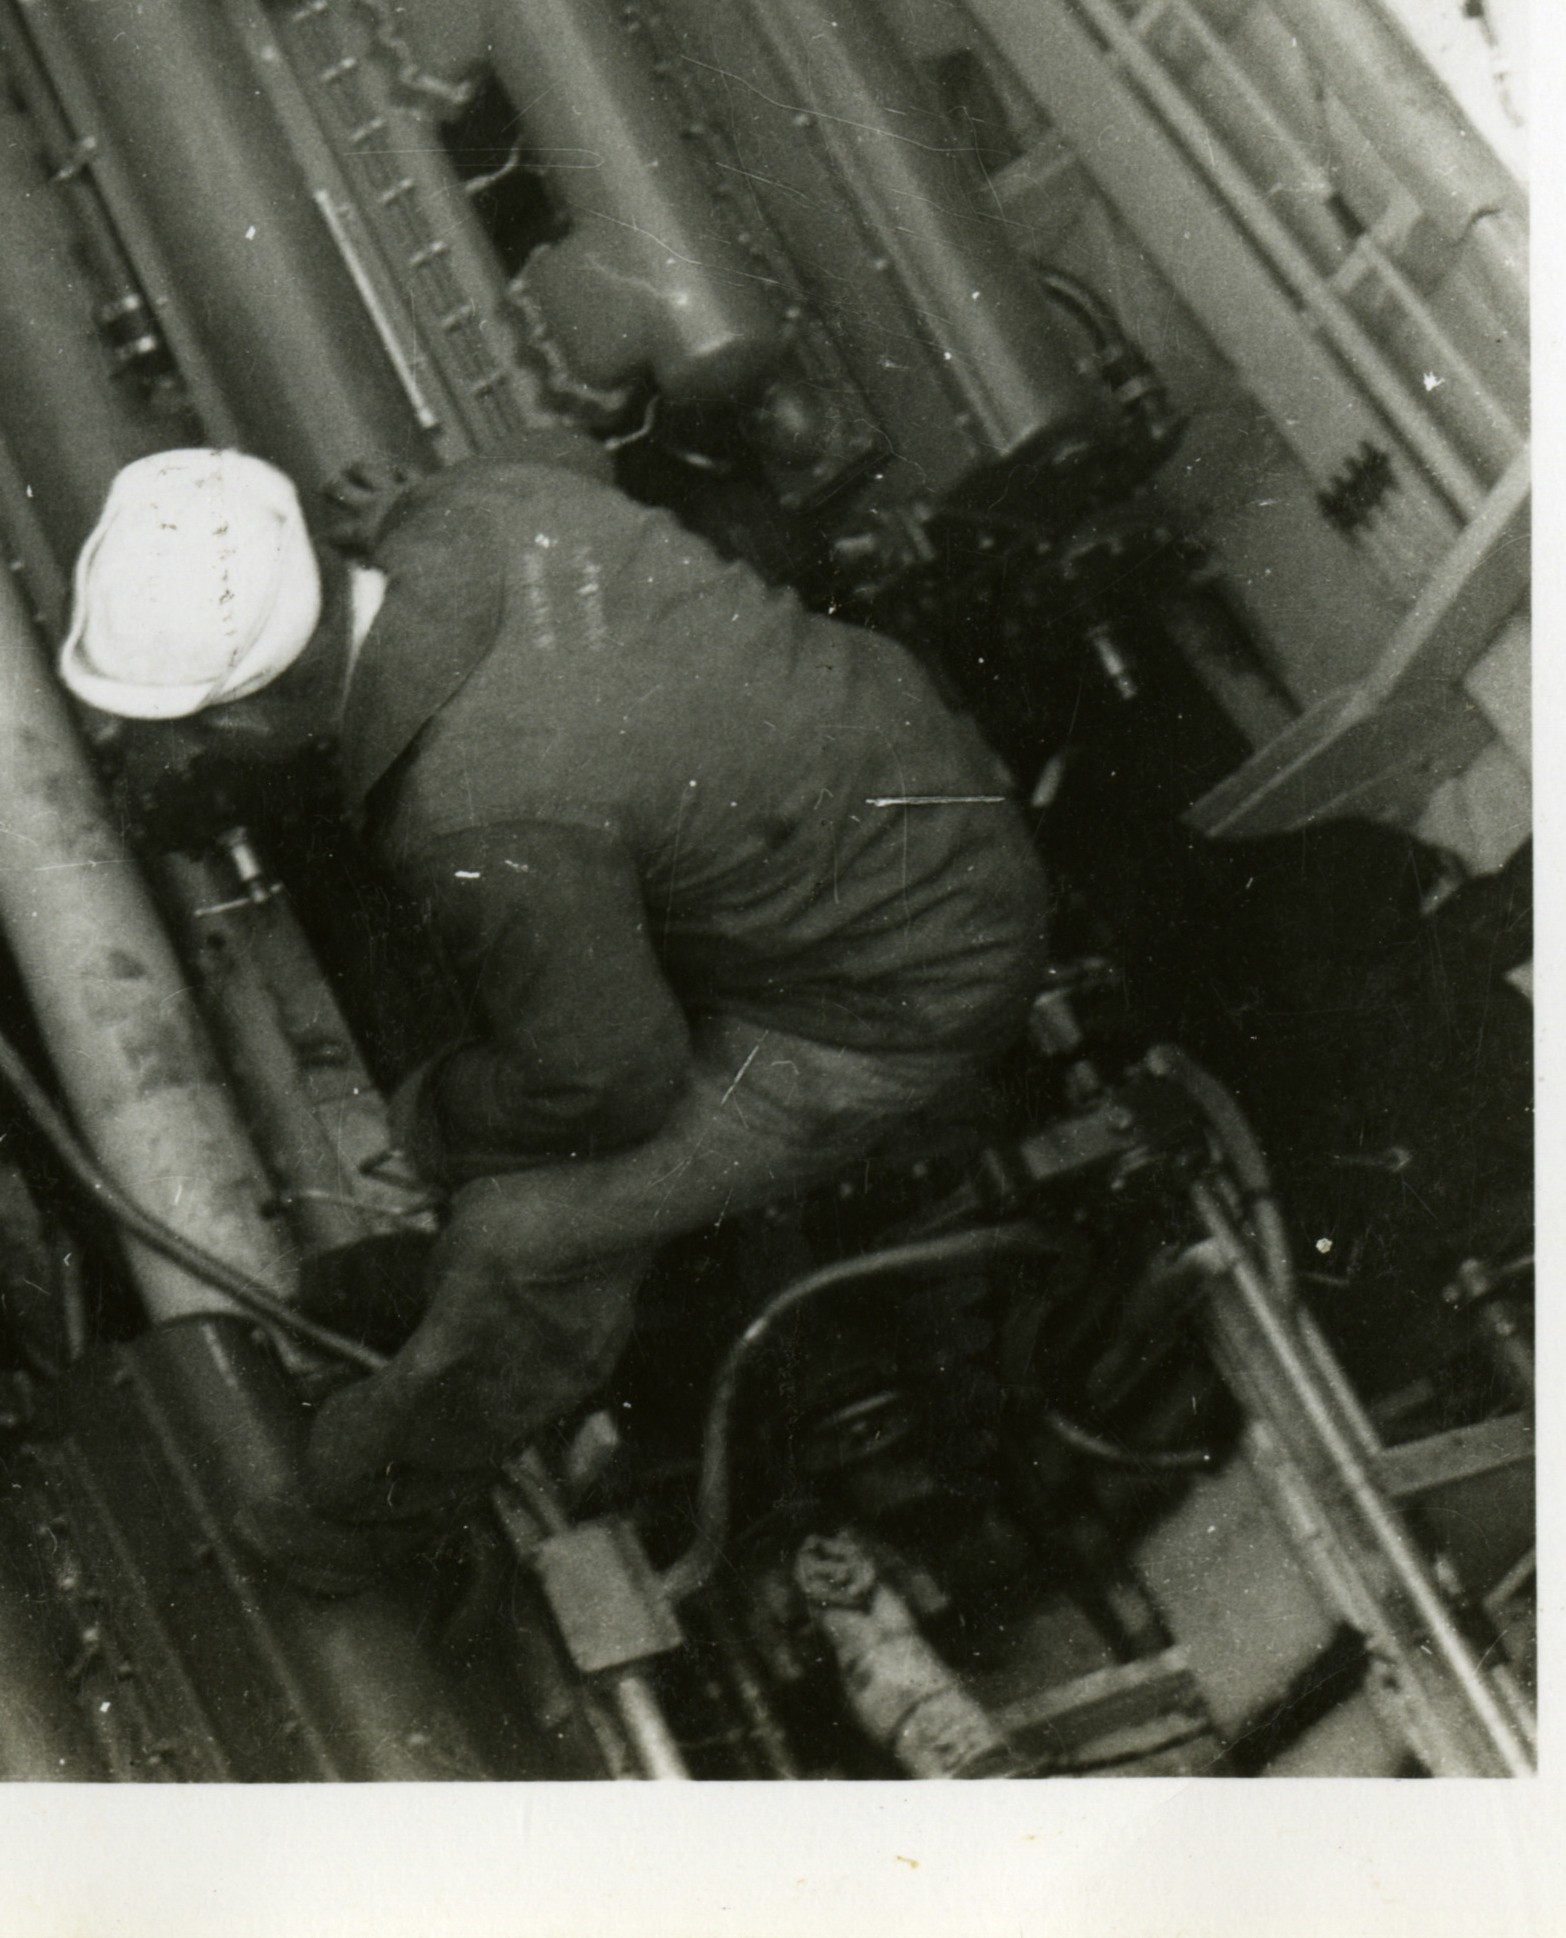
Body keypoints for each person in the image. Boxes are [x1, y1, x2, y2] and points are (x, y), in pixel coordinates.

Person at [56, 439, 1050, 1582]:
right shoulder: (473, 505)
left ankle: (367, 1514)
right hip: (896, 784)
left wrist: (435, 1123)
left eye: (176, 726)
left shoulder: (475, 813)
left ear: (244, 721)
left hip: (895, 994)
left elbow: (609, 1081)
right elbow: (500, 493)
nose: (166, 752)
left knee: (520, 1241)